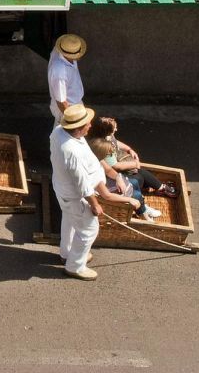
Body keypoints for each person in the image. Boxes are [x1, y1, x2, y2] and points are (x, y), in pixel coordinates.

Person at [50, 103, 140, 281]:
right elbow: (82, 184)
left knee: (69, 221)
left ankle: (67, 253)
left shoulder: (59, 131)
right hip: (75, 195)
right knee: (89, 230)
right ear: (78, 129)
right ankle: (75, 266)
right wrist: (95, 203)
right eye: (87, 124)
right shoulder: (72, 152)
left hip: (63, 188)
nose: (90, 126)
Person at [88, 116, 178, 200]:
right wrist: (135, 164)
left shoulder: (109, 136)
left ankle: (159, 187)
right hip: (112, 175)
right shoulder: (103, 147)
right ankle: (159, 188)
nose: (116, 129)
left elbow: (116, 142)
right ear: (106, 132)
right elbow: (115, 166)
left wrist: (129, 149)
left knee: (140, 173)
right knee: (139, 177)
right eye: (114, 128)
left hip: (116, 171)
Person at [88, 137, 161, 222]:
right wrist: (130, 200)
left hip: (106, 185)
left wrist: (118, 178)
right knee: (136, 195)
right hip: (103, 196)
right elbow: (107, 196)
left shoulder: (98, 160)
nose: (111, 156)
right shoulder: (94, 174)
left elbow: (108, 170)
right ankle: (143, 215)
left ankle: (142, 207)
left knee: (134, 182)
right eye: (108, 154)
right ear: (101, 154)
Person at [47, 33, 86, 125]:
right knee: (67, 136)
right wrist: (72, 121)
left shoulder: (60, 51)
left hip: (75, 104)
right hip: (68, 109)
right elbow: (61, 101)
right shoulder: (59, 72)